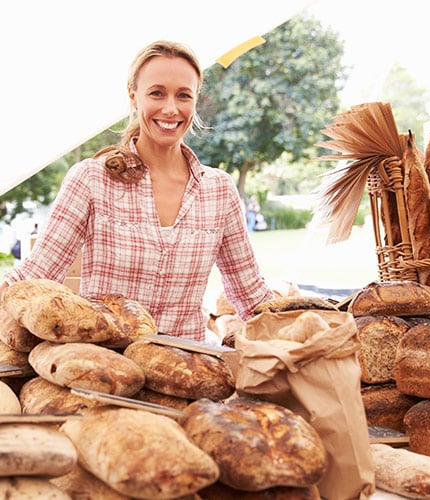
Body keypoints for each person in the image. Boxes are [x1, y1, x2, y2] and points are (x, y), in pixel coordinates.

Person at [0, 40, 274, 341]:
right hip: (106, 372)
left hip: (187, 373)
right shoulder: (92, 179)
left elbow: (252, 296)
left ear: (195, 100)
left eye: (183, 95)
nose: (170, 109)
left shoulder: (218, 190)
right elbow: (33, 278)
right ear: (133, 97)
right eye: (157, 93)